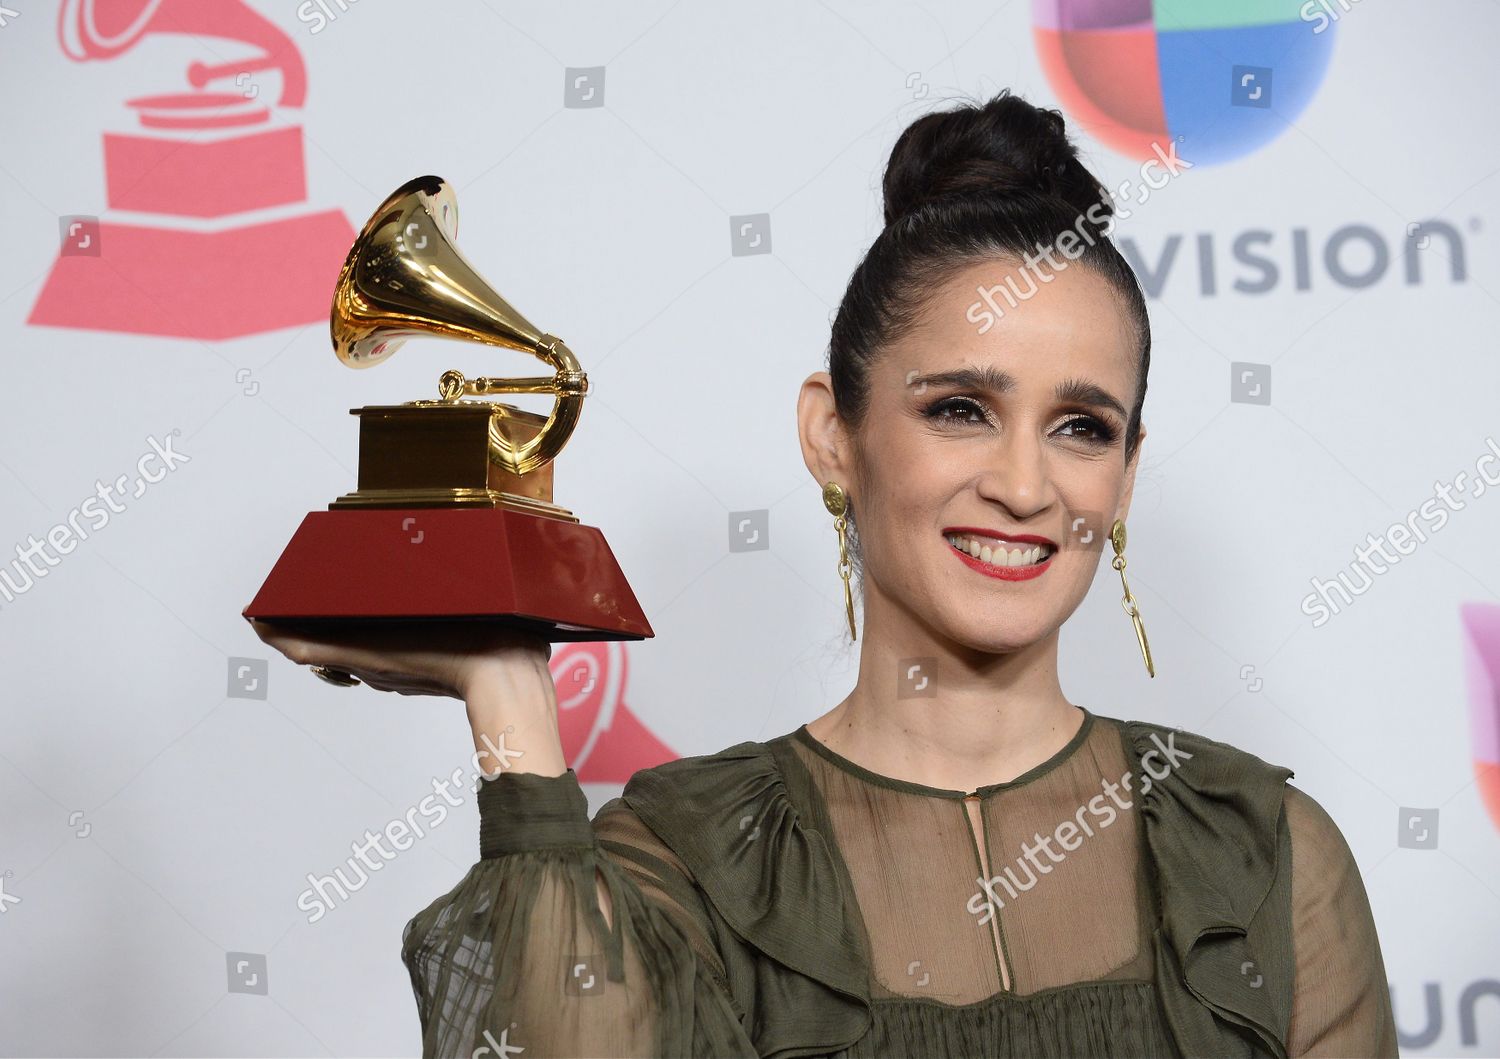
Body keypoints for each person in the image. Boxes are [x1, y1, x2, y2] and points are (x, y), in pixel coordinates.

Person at [252, 89, 1399, 1059]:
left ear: (1127, 474)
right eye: (960, 408)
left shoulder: (1260, 851)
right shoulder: (692, 859)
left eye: (1082, 427)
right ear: (831, 436)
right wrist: (508, 697)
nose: (1025, 484)